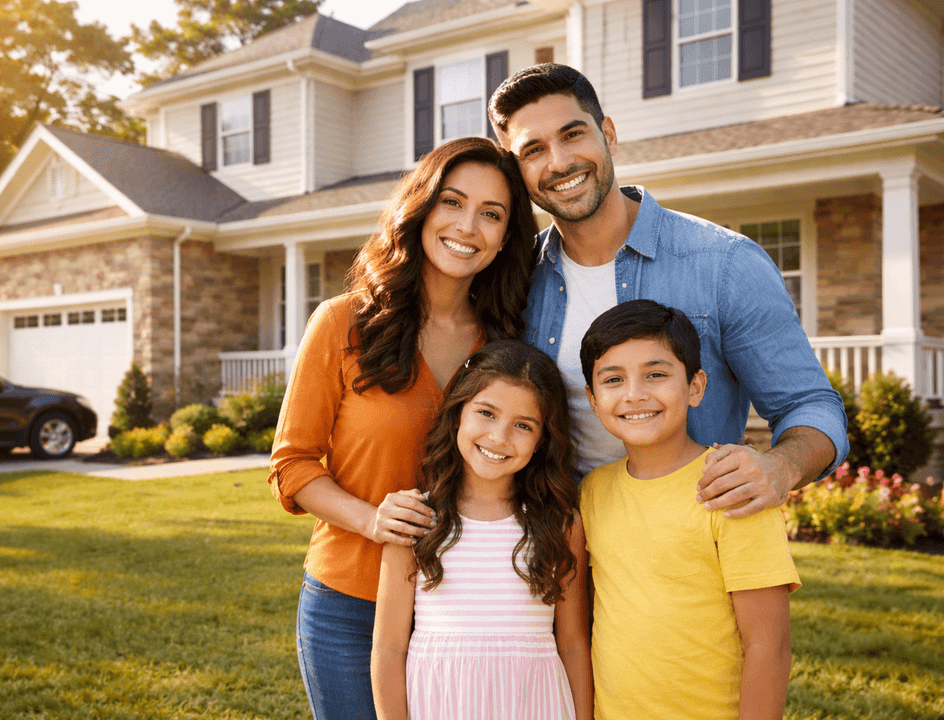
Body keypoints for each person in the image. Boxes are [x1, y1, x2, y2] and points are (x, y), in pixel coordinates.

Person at [488, 63, 848, 518]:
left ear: (609, 135)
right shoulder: (516, 280)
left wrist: (781, 466)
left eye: (573, 134)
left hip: (691, 550)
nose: (559, 163)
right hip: (561, 552)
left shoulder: (726, 263)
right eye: (533, 150)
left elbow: (809, 404)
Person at [268, 136, 539, 720]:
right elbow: (291, 465)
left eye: (492, 214)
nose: (468, 226)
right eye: (452, 202)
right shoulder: (343, 322)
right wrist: (374, 520)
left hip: (467, 605)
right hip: (352, 605)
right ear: (420, 208)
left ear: (506, 236)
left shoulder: (506, 343)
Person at [579, 299, 800, 720]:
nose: (635, 394)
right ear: (592, 398)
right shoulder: (593, 491)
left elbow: (768, 644)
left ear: (696, 387)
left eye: (656, 375)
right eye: (613, 379)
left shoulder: (731, 486)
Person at [371, 340, 591, 720]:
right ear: (458, 414)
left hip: (534, 704)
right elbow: (389, 647)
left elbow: (572, 643)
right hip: (441, 703)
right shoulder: (416, 518)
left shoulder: (561, 523)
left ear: (542, 442)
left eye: (523, 425)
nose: (499, 437)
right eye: (486, 413)